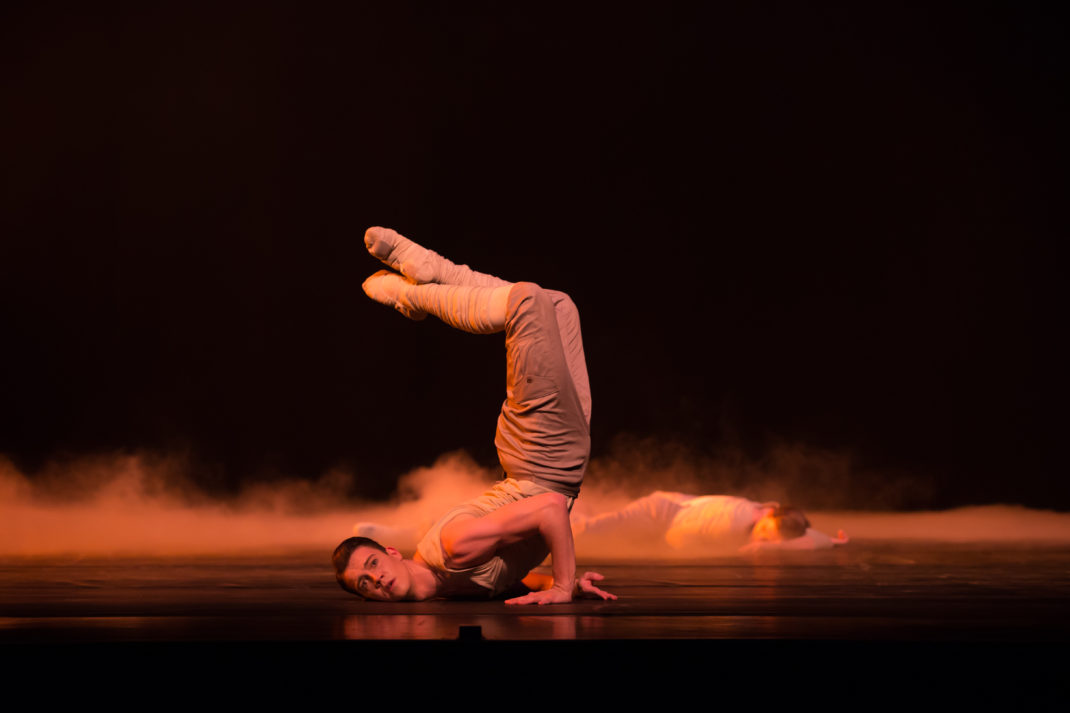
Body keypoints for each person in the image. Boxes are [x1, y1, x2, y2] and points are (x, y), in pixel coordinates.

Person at [332, 227, 616, 605]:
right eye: (365, 583)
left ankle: (414, 295)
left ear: (391, 552)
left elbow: (550, 511)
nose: (376, 578)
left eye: (372, 564)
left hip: (543, 456)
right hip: (552, 459)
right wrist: (568, 584)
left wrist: (563, 587)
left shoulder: (454, 548)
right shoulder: (447, 581)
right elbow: (513, 577)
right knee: (558, 306)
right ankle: (438, 272)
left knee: (525, 302)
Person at [571, 491, 849, 553]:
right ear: (764, 517)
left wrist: (832, 540)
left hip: (673, 505)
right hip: (660, 515)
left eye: (767, 539)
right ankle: (554, 507)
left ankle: (579, 502)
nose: (759, 539)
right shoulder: (731, 523)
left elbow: (805, 534)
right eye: (764, 533)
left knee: (603, 523)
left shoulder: (770, 514)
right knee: (587, 531)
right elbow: (676, 537)